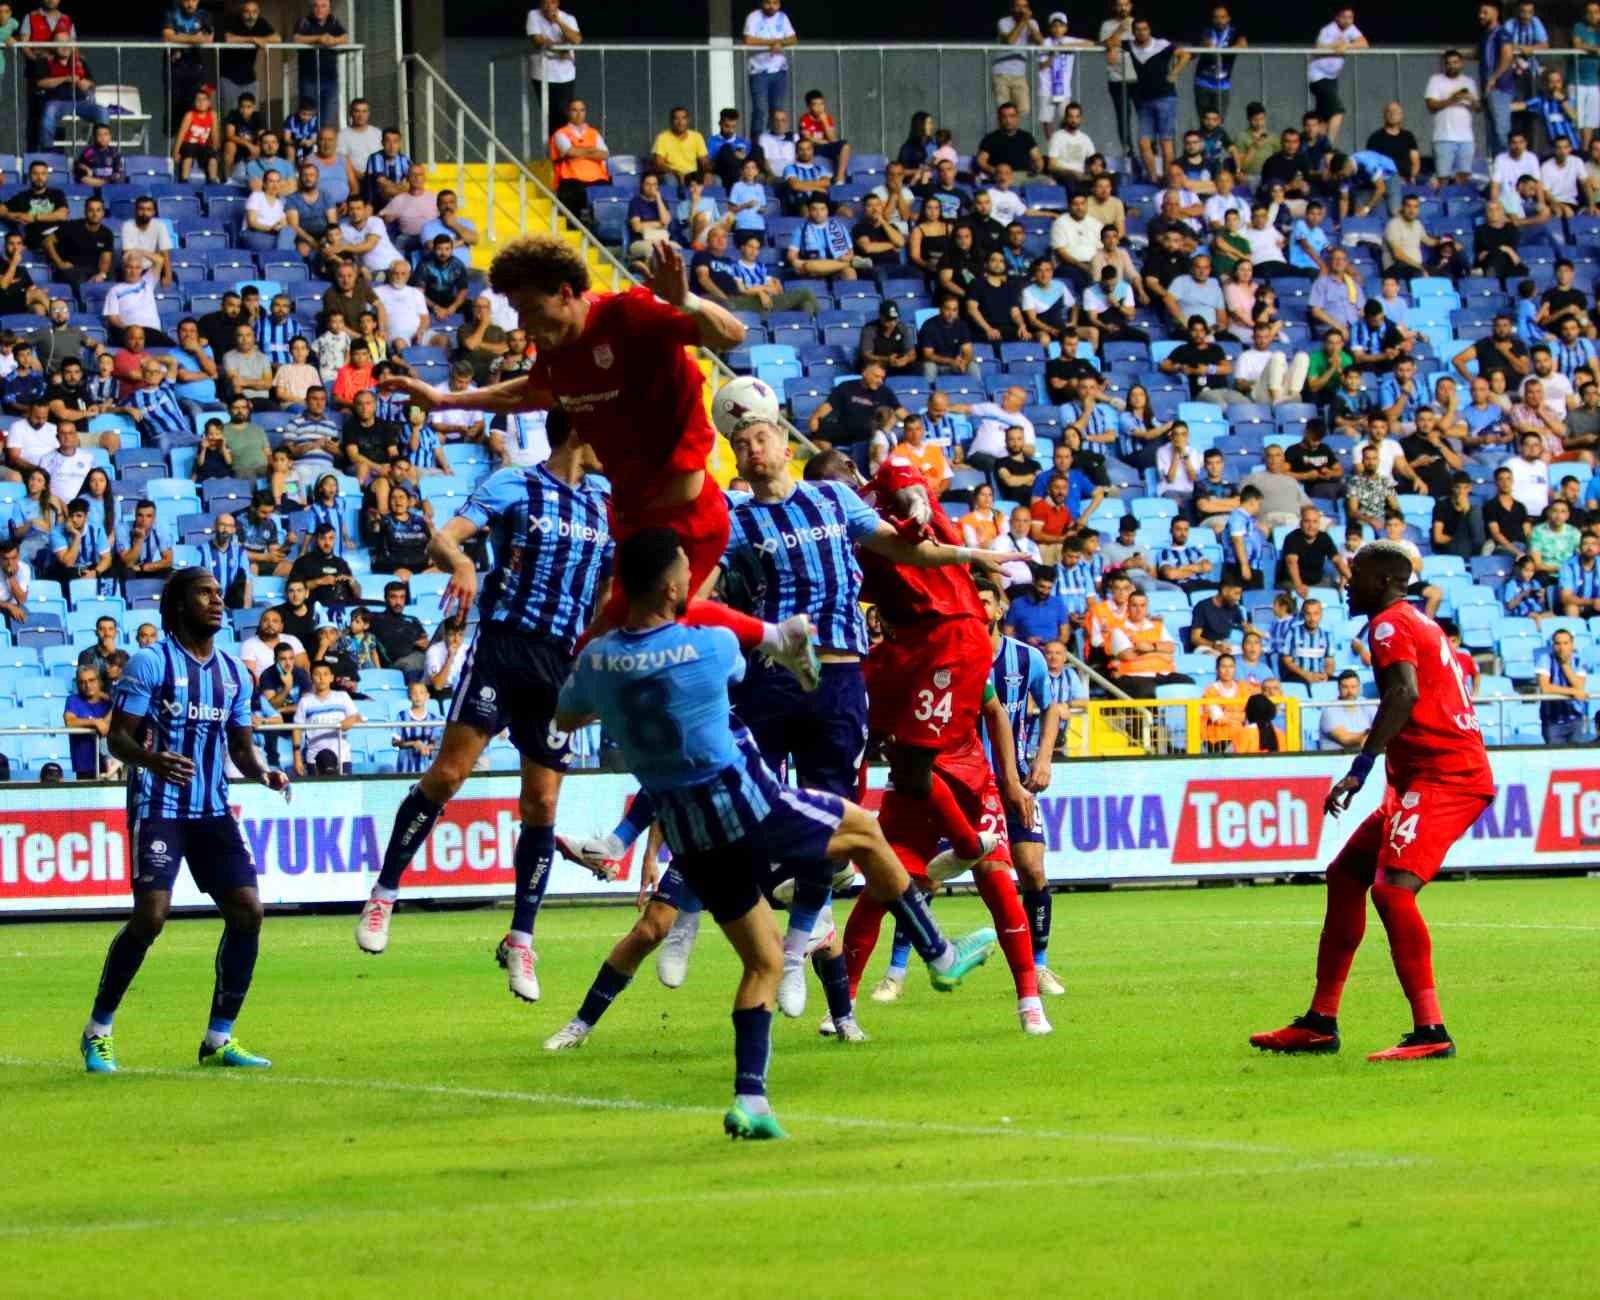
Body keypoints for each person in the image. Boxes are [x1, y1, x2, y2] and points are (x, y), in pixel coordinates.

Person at [546, 529, 999, 1122]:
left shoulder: (598, 660)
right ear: (673, 586)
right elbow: (752, 651)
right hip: (747, 806)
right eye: (689, 571)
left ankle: (751, 1100)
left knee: (760, 959)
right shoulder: (706, 646)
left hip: (690, 835)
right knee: (863, 828)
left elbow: (569, 711)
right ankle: (938, 953)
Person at [1251, 542, 1494, 1061]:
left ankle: (1432, 1031)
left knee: (1392, 892)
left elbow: (1403, 694)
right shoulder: (1415, 621)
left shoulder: (1388, 624)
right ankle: (1320, 1022)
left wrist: (1360, 769)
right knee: (1346, 876)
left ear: (1383, 579)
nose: (1345, 580)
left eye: (1355, 572)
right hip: (1422, 777)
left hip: (1444, 775)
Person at [78, 568, 290, 1075]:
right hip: (159, 807)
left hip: (212, 809)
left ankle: (219, 1039)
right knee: (151, 918)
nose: (217, 602)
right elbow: (118, 739)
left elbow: (240, 747)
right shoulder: (150, 663)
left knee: (248, 912)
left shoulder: (235, 673)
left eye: (220, 594)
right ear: (178, 605)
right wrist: (153, 761)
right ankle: (97, 1031)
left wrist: (263, 772)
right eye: (204, 594)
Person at [1112, 17, 1190, 184]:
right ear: (1133, 32)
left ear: (1150, 30)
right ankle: (1153, 178)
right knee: (1143, 142)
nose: (1142, 32)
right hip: (1144, 100)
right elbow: (1110, 42)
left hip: (1165, 97)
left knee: (1165, 142)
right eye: (1138, 29)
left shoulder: (1161, 44)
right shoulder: (1130, 45)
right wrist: (1119, 31)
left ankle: (1169, 180)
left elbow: (1185, 55)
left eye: (1145, 29)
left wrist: (1174, 72)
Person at [744, 0, 796, 131]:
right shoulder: (754, 16)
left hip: (779, 70)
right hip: (758, 71)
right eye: (768, 2)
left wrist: (781, 43)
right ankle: (757, 145)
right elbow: (748, 40)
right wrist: (773, 43)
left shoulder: (783, 17)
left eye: (775, 3)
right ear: (762, 3)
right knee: (760, 110)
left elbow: (793, 38)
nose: (772, 6)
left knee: (777, 110)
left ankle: (773, 140)